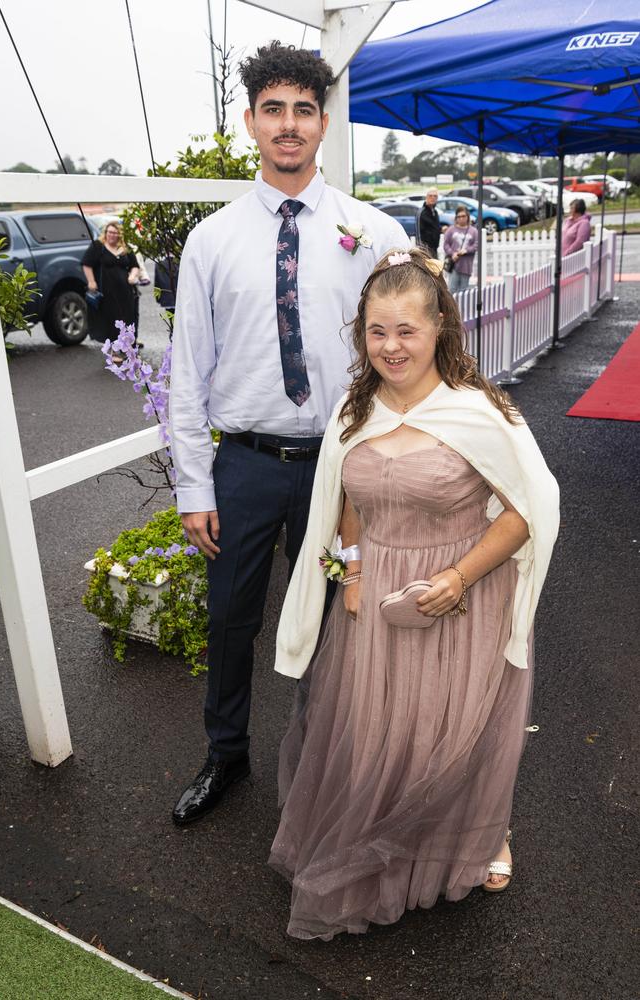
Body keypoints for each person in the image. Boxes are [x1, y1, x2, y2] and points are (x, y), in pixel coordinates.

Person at [270, 246, 560, 940]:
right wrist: (353, 575)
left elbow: (526, 513)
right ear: (361, 334)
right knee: (382, 729)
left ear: (439, 330)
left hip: (461, 595)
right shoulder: (352, 410)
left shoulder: (480, 412)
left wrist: (458, 578)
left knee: (456, 731)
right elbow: (344, 506)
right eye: (377, 331)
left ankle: (487, 831)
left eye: (407, 330)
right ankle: (390, 830)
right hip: (377, 600)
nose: (392, 346)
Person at [168, 42, 407, 827]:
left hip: (342, 468)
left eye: (303, 109)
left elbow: (409, 344)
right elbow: (187, 373)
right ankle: (225, 754)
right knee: (230, 617)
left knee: (341, 615)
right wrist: (195, 486)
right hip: (245, 464)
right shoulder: (210, 240)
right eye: (274, 109)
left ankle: (323, 759)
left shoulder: (370, 231)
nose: (289, 124)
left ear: (323, 123)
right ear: (251, 123)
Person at [82, 222, 139, 350]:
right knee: (112, 319)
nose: (112, 235)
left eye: (115, 233)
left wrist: (132, 276)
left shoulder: (125, 248)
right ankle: (115, 350)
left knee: (128, 317)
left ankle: (129, 345)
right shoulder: (98, 246)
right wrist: (91, 281)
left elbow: (134, 266)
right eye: (109, 232)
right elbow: (86, 264)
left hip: (125, 291)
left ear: (119, 234)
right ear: (105, 233)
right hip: (107, 291)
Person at [443, 205, 478, 294]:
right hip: (454, 265)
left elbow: (476, 245)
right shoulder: (451, 230)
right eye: (459, 216)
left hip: (466, 266)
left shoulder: (473, 231)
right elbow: (446, 244)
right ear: (456, 218)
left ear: (467, 217)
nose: (461, 218)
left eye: (463, 216)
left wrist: (466, 250)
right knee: (452, 290)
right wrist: (452, 253)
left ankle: (462, 308)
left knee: (464, 292)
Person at [417, 187, 441, 256]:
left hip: (434, 249)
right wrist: (422, 252)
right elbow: (419, 234)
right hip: (425, 251)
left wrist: (441, 229)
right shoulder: (421, 212)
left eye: (435, 196)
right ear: (426, 197)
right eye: (430, 196)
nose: (433, 198)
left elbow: (434, 228)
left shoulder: (435, 212)